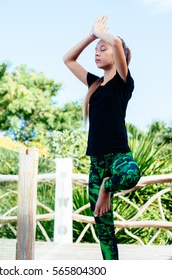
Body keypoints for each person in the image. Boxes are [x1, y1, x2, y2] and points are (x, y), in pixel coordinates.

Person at [63, 15, 141, 260]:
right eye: (95, 50)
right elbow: (68, 59)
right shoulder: (93, 85)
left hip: (118, 156)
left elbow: (117, 43)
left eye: (101, 49)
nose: (96, 53)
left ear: (117, 56)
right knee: (104, 229)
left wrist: (102, 32)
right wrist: (91, 36)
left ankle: (108, 185)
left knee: (131, 175)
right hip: (96, 163)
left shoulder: (123, 82)